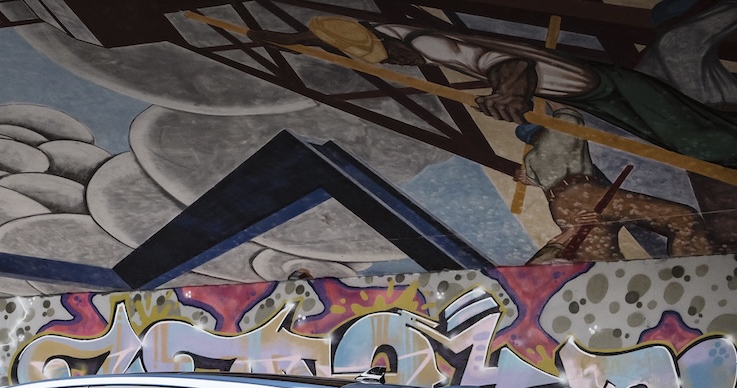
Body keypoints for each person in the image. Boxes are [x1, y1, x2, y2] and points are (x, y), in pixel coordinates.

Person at [253, 17, 737, 167]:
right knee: (695, 138)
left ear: (390, 46)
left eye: (386, 57)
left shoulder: (427, 42)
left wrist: (509, 94)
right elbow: (332, 34)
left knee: (702, 143)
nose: (399, 63)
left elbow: (510, 63)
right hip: (594, 93)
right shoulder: (394, 30)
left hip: (608, 87)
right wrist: (286, 39)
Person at [513, 108, 712, 262]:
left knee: (603, 261)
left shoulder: (531, 159)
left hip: (561, 206)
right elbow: (569, 113)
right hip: (585, 193)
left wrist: (524, 177)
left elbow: (527, 179)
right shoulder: (558, 134)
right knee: (684, 220)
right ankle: (696, 273)